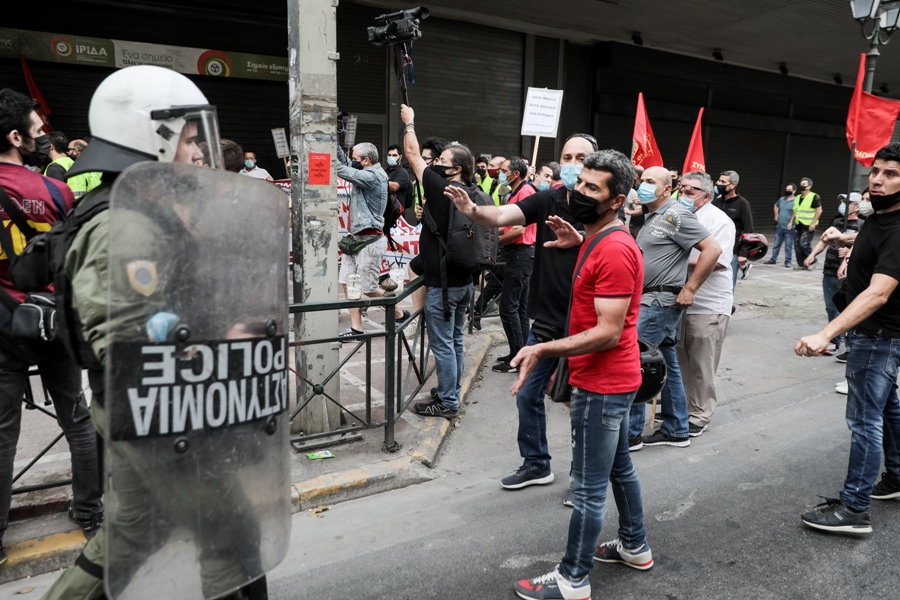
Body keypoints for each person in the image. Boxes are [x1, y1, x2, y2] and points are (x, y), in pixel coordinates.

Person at [44, 65, 280, 600]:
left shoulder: (143, 210)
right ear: (145, 138)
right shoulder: (125, 225)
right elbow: (133, 346)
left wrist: (224, 329)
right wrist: (218, 348)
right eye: (190, 140)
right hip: (157, 414)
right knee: (231, 535)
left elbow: (170, 312)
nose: (199, 154)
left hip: (161, 409)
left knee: (131, 533)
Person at [502, 149, 651, 600]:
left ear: (616, 199)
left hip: (603, 383)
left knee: (587, 488)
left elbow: (607, 332)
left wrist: (543, 346)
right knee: (620, 468)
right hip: (611, 381)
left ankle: (573, 579)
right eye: (578, 181)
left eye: (591, 187)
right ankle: (634, 545)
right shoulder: (599, 237)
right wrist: (577, 244)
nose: (577, 191)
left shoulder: (617, 248)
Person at [444, 132, 597, 500]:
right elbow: (498, 215)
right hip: (546, 320)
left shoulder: (604, 208)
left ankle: (583, 477)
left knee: (580, 405)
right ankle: (536, 463)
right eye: (568, 155)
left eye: (581, 157)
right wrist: (473, 211)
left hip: (586, 324)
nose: (573, 163)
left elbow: (619, 252)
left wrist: (582, 242)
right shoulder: (548, 198)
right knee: (527, 392)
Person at [0, 89, 103, 569]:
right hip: (53, 318)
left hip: (2, 322)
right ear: (14, 136)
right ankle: (89, 510)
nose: (43, 138)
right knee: (76, 418)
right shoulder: (55, 190)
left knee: (3, 432)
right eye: (36, 131)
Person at [795, 142, 900, 535]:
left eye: (891, 174)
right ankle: (896, 477)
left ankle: (854, 509)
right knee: (888, 409)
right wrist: (849, 246)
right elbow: (875, 246)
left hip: (876, 338)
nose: (878, 179)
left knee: (864, 422)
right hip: (877, 338)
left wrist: (826, 333)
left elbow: (879, 292)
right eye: (876, 171)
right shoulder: (881, 215)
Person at [629, 166, 721, 450]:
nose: (643, 185)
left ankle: (630, 435)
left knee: (634, 364)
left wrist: (690, 288)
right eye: (642, 180)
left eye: (650, 182)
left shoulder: (675, 214)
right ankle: (677, 428)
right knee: (667, 365)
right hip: (653, 301)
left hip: (657, 303)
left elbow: (713, 249)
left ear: (667, 189)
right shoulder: (654, 215)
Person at [400, 105, 475, 419]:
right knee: (455, 340)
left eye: (442, 161)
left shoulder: (440, 186)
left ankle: (447, 402)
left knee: (443, 344)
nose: (435, 164)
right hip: (464, 282)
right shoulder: (470, 191)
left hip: (443, 287)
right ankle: (451, 390)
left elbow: (412, 154)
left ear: (456, 169)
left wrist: (409, 122)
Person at [673, 171, 735, 436]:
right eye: (681, 189)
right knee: (679, 361)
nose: (683, 194)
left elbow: (718, 260)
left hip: (707, 304)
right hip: (676, 302)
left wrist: (674, 257)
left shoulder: (719, 220)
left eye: (690, 191)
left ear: (706, 195)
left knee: (701, 363)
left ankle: (699, 415)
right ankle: (681, 408)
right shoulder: (675, 214)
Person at [337, 142, 410, 337]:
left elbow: (340, 168)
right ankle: (356, 329)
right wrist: (332, 139)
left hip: (369, 241)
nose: (352, 162)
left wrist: (324, 154)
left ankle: (399, 313)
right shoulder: (367, 171)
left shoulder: (373, 176)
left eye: (355, 159)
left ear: (366, 161)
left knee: (369, 289)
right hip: (356, 240)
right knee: (348, 282)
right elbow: (344, 162)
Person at [804, 193, 864, 357]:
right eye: (843, 202)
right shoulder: (836, 222)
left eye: (848, 202)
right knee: (831, 306)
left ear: (857, 206)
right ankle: (836, 340)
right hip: (830, 270)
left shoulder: (863, 225)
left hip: (849, 274)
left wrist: (848, 254)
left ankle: (846, 342)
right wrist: (812, 254)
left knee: (848, 308)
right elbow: (824, 240)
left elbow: (863, 245)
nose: (844, 204)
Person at [492, 157, 536, 374]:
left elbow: (518, 230)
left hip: (521, 254)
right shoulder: (515, 192)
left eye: (503, 170)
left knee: (509, 308)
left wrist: (494, 244)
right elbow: (508, 225)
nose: (500, 173)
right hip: (519, 254)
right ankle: (518, 352)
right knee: (518, 307)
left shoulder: (525, 192)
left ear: (515, 174)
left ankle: (517, 357)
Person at [712, 170, 753, 290]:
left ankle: (727, 308)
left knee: (727, 286)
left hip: (731, 253)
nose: (718, 183)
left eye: (722, 181)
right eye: (719, 180)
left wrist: (743, 254)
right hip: (713, 249)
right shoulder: (716, 202)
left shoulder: (742, 204)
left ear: (733, 185)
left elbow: (749, 231)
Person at [792, 176, 822, 270]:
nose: (801, 186)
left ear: (809, 186)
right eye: (801, 184)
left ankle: (812, 260)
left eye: (804, 184)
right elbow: (796, 210)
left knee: (804, 244)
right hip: (799, 224)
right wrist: (791, 221)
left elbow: (819, 210)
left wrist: (813, 223)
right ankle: (802, 264)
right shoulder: (797, 197)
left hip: (809, 225)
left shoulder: (814, 197)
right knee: (797, 245)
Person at [766, 183, 796, 267]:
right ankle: (773, 259)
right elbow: (776, 205)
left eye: (790, 190)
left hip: (789, 227)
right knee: (776, 244)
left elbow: (795, 212)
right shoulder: (782, 199)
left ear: (794, 191)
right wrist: (776, 215)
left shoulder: (796, 200)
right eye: (787, 189)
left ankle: (788, 261)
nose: (788, 191)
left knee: (788, 245)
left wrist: (791, 222)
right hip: (779, 226)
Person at [385, 143, 411, 212]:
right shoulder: (386, 171)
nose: (391, 157)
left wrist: (378, 181)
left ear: (400, 156)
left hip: (397, 213)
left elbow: (394, 186)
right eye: (389, 155)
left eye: (394, 155)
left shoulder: (402, 172)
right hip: (386, 211)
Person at [624, 164, 645, 238]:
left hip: (638, 225)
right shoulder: (631, 187)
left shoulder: (644, 189)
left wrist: (644, 202)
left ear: (635, 176)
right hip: (628, 224)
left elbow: (640, 210)